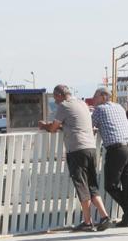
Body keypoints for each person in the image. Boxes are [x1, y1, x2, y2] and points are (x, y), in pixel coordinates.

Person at [39, 85, 111, 232]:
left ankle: (87, 221)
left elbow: (53, 128)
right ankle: (104, 216)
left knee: (81, 186)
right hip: (91, 148)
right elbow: (73, 124)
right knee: (92, 185)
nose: (55, 100)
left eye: (55, 97)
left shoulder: (64, 106)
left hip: (77, 149)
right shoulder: (81, 103)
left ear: (59, 95)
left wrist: (43, 126)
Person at [91, 87, 128, 227]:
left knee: (110, 185)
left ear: (102, 96)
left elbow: (89, 126)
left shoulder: (99, 110)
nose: (93, 100)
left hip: (117, 150)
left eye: (95, 97)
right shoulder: (119, 107)